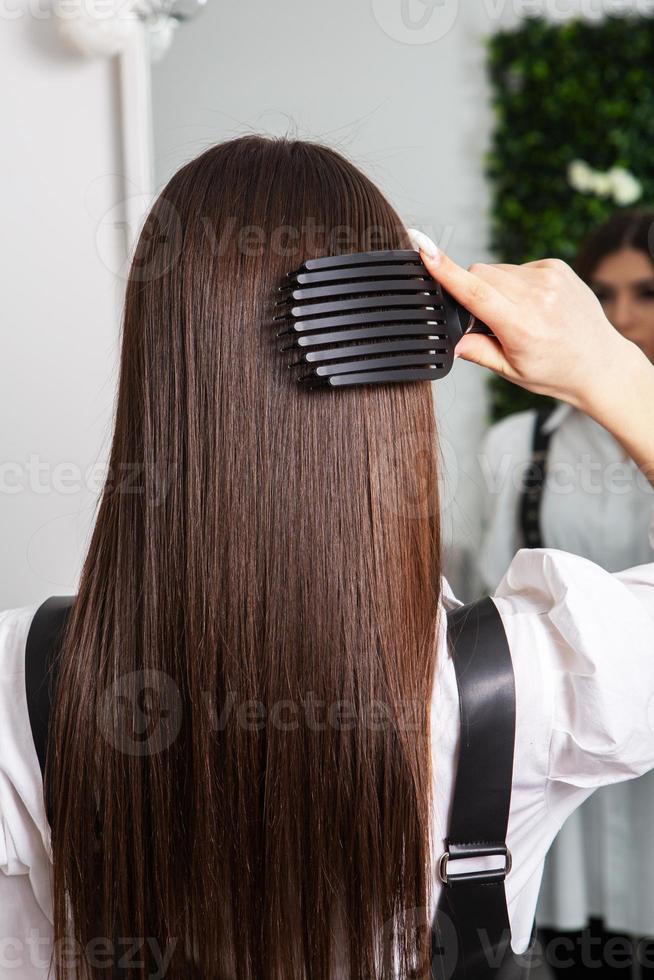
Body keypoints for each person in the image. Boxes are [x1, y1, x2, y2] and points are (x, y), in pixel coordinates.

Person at [1, 135, 654, 980]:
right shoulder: (540, 683)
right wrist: (607, 368)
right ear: (398, 401)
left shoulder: (23, 683)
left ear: (159, 376)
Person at [476, 210, 654, 978]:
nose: (623, 317)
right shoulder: (516, 449)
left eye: (646, 293)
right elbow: (481, 610)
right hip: (561, 799)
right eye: (605, 296)